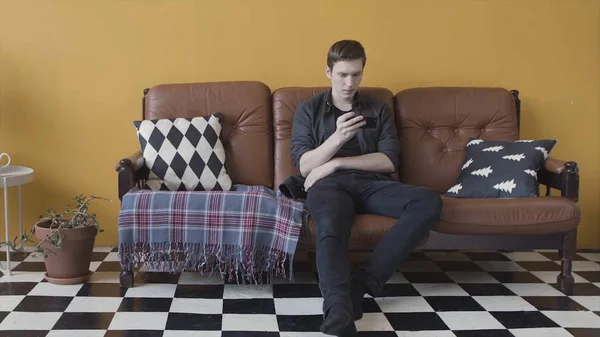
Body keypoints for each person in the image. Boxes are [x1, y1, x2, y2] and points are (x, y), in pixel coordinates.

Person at [287, 40, 443, 336]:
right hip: (327, 187)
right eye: (343, 74)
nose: (349, 83)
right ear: (328, 72)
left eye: (356, 74)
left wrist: (337, 163)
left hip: (371, 184)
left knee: (427, 201)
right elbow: (305, 166)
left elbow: (388, 160)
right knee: (330, 224)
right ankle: (337, 308)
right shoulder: (308, 110)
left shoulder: (378, 108)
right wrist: (337, 139)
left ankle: (362, 284)